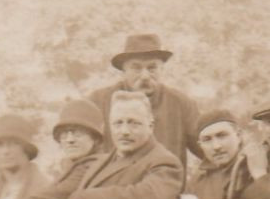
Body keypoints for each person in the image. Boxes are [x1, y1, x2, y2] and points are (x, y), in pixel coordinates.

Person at [64, 91, 183, 199]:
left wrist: (86, 197)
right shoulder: (103, 161)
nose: (124, 131)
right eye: (118, 123)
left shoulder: (165, 162)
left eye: (133, 123)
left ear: (150, 126)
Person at [86, 33, 200, 164]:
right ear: (124, 70)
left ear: (162, 69)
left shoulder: (181, 104)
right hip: (113, 183)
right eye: (136, 68)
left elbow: (207, 148)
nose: (145, 76)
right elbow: (81, 154)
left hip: (166, 181)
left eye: (152, 68)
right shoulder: (98, 102)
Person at [36, 99, 109, 199]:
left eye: (78, 133)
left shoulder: (93, 165)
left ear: (95, 138)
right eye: (64, 134)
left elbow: (50, 197)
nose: (70, 140)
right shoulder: (69, 167)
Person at [186, 109, 261, 199]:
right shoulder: (196, 181)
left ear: (238, 135)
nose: (216, 146)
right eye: (207, 140)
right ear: (200, 145)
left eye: (222, 136)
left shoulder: (256, 167)